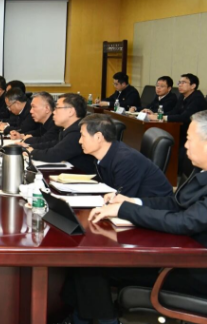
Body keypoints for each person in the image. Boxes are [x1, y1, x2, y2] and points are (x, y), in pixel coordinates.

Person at [60, 110, 207, 324]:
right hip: (182, 253)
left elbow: (184, 221)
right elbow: (174, 203)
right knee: (86, 262)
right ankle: (78, 318)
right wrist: (131, 202)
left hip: (191, 269)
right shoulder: (200, 172)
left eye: (189, 139)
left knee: (91, 264)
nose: (185, 145)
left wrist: (123, 210)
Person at [78, 114, 172, 198]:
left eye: (83, 136)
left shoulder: (125, 160)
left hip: (155, 208)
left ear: (98, 137)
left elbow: (122, 199)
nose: (80, 141)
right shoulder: (105, 156)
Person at [30, 93, 95, 173]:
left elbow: (54, 154)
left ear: (71, 111)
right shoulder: (68, 129)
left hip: (84, 177)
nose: (53, 112)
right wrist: (30, 146)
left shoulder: (78, 131)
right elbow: (54, 144)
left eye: (57, 108)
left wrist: (32, 152)